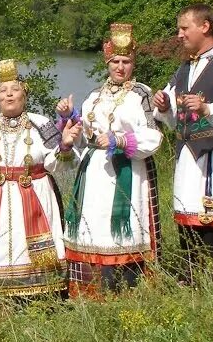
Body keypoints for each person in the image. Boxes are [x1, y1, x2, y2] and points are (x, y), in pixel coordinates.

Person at [0, 59, 81, 303]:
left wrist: (64, 145)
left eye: (15, 89)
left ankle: (42, 299)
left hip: (34, 198)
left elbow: (64, 162)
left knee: (32, 251)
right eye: (2, 90)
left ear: (25, 94)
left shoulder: (40, 124)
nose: (9, 94)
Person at [55, 23, 164, 297]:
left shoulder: (142, 94)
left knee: (124, 234)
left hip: (127, 172)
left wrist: (120, 140)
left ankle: (127, 290)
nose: (120, 67)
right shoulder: (94, 95)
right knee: (94, 229)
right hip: (94, 175)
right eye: (115, 61)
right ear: (107, 62)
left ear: (133, 63)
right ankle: (92, 294)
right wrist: (70, 118)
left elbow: (154, 137)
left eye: (126, 61)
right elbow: (85, 137)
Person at [152, 4, 213, 280]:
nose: (179, 35)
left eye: (184, 28)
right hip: (188, 159)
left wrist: (209, 109)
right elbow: (175, 119)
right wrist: (163, 106)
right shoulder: (184, 69)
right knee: (188, 226)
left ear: (205, 26)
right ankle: (190, 283)